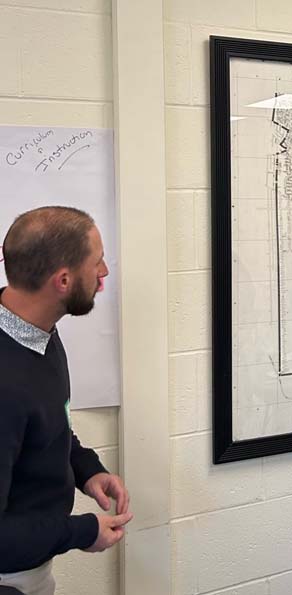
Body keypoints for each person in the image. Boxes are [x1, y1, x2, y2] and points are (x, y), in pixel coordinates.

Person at [0, 207, 132, 595]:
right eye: (97, 262)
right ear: (63, 280)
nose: (104, 272)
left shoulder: (37, 333)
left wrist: (86, 469)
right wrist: (82, 530)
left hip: (31, 571)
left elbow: (48, 426)